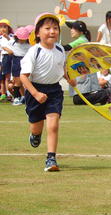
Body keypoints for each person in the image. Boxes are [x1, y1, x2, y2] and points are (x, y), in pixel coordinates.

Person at [20, 12, 73, 172]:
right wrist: (36, 94)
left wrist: (68, 77)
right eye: (47, 28)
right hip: (34, 90)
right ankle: (35, 135)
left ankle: (51, 158)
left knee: (53, 124)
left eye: (55, 28)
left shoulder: (59, 49)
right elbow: (23, 77)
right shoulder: (34, 51)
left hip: (54, 91)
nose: (52, 31)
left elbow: (61, 67)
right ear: (37, 33)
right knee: (37, 126)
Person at [3, 27, 31, 105]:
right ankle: (16, 98)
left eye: (24, 38)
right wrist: (8, 50)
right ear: (16, 37)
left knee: (25, 82)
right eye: (21, 38)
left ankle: (23, 97)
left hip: (26, 62)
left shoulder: (29, 45)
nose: (22, 40)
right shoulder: (12, 43)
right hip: (16, 62)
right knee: (17, 82)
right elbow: (4, 46)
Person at [0, 19, 14, 101]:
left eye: (5, 27)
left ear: (8, 28)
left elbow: (15, 44)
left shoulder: (12, 36)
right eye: (1, 27)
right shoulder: (0, 38)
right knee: (6, 76)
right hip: (5, 57)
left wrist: (8, 37)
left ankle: (15, 93)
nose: (3, 29)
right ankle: (7, 94)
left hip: (13, 57)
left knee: (14, 76)